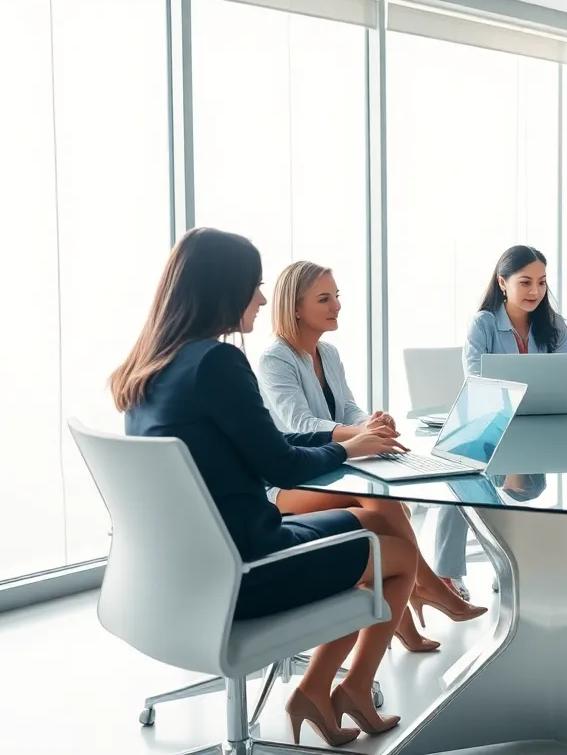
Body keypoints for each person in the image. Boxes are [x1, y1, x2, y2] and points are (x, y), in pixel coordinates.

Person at [112, 228, 416, 745]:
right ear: (222, 289)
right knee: (398, 554)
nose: (260, 297)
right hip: (247, 568)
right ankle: (340, 688)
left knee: (376, 520)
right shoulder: (217, 362)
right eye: (253, 285)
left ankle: (323, 693)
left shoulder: (146, 369)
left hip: (174, 576)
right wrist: (349, 447)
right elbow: (281, 466)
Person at [256, 261, 487, 650]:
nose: (337, 306)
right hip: (285, 482)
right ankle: (427, 588)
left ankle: (412, 611)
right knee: (379, 502)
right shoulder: (275, 359)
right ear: (295, 307)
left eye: (337, 296)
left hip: (327, 468)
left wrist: (371, 421)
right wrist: (362, 435)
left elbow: (346, 409)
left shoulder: (327, 353)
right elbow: (299, 422)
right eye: (325, 299)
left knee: (384, 505)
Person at [463, 245, 567, 375]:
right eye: (525, 283)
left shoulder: (556, 325)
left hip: (547, 397)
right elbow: (475, 383)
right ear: (502, 282)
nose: (535, 292)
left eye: (541, 282)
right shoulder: (482, 325)